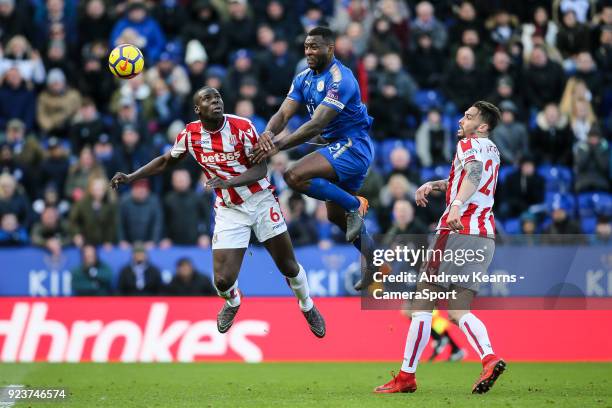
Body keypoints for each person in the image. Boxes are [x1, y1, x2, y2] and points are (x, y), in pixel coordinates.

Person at [111, 86, 325, 338]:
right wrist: (132, 176)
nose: (215, 102)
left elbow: (261, 170)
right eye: (207, 99)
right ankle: (233, 301)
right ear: (197, 109)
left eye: (218, 97)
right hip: (229, 209)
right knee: (222, 281)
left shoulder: (241, 127)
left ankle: (307, 305)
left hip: (260, 200)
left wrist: (228, 182)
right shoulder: (190, 135)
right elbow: (167, 160)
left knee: (288, 266)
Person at [374, 101, 506, 394]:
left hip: (454, 232)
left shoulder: (469, 144)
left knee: (421, 304)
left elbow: (471, 174)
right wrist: (436, 184)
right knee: (459, 311)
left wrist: (456, 206)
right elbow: (471, 179)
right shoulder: (493, 150)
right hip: (484, 236)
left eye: (469, 117)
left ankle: (407, 376)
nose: (461, 120)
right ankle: (489, 357)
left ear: (481, 127)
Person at [250, 26, 378, 289]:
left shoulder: (341, 79)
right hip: (338, 148)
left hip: (353, 146)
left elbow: (316, 124)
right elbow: (283, 114)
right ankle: (374, 259)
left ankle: (355, 203)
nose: (308, 51)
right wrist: (267, 134)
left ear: (330, 48)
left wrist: (278, 146)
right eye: (306, 46)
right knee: (335, 216)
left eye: (314, 47)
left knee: (293, 175)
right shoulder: (303, 78)